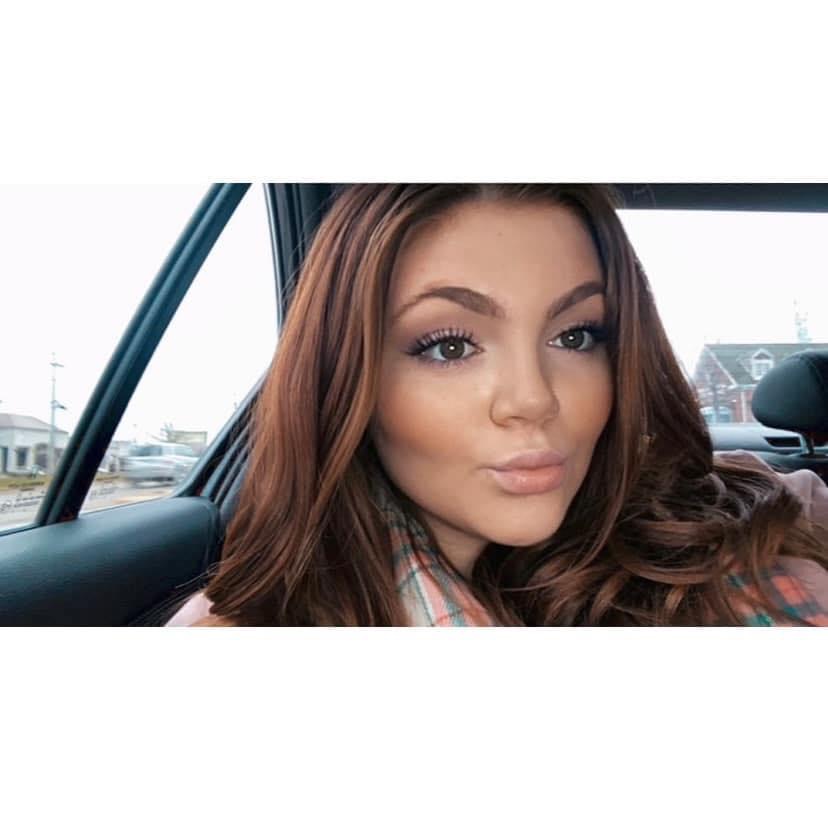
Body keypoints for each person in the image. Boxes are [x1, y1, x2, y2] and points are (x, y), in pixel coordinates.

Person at [168, 184, 828, 627]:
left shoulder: (748, 548)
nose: (533, 399)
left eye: (576, 336)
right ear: (349, 379)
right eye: (450, 346)